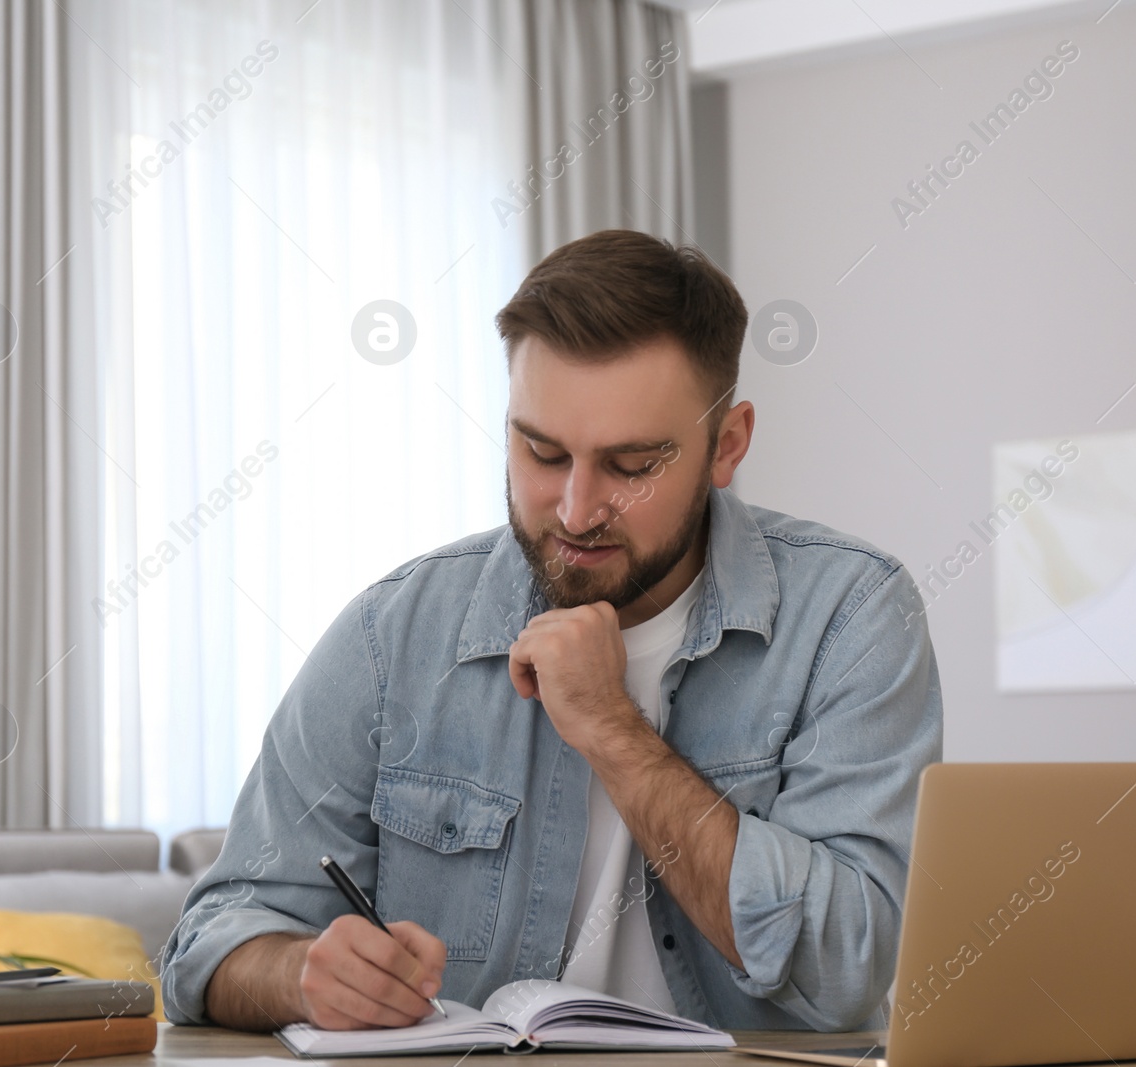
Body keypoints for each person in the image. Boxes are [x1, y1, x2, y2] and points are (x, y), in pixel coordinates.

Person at [159, 229, 943, 1033]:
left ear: (728, 444)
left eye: (632, 465)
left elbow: (847, 964)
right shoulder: (390, 635)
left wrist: (610, 725)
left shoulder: (853, 616)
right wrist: (299, 975)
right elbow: (208, 941)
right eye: (541, 450)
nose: (575, 509)